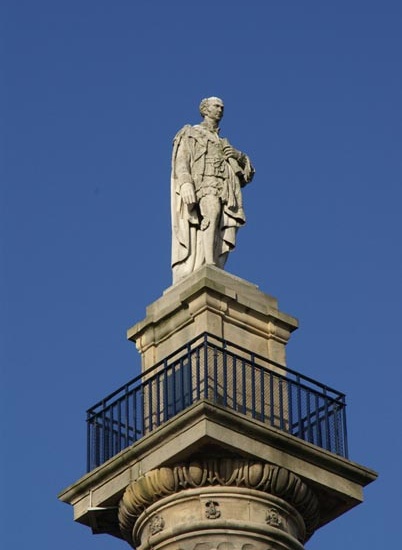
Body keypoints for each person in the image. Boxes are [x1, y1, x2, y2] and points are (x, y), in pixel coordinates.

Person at [171, 97, 254, 283]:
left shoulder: (223, 142)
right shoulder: (191, 133)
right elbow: (181, 161)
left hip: (226, 188)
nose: (220, 109)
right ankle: (209, 263)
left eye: (222, 107)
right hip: (204, 184)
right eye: (216, 106)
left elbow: (248, 174)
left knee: (224, 226)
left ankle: (215, 262)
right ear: (205, 109)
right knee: (212, 213)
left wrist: (237, 155)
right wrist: (185, 184)